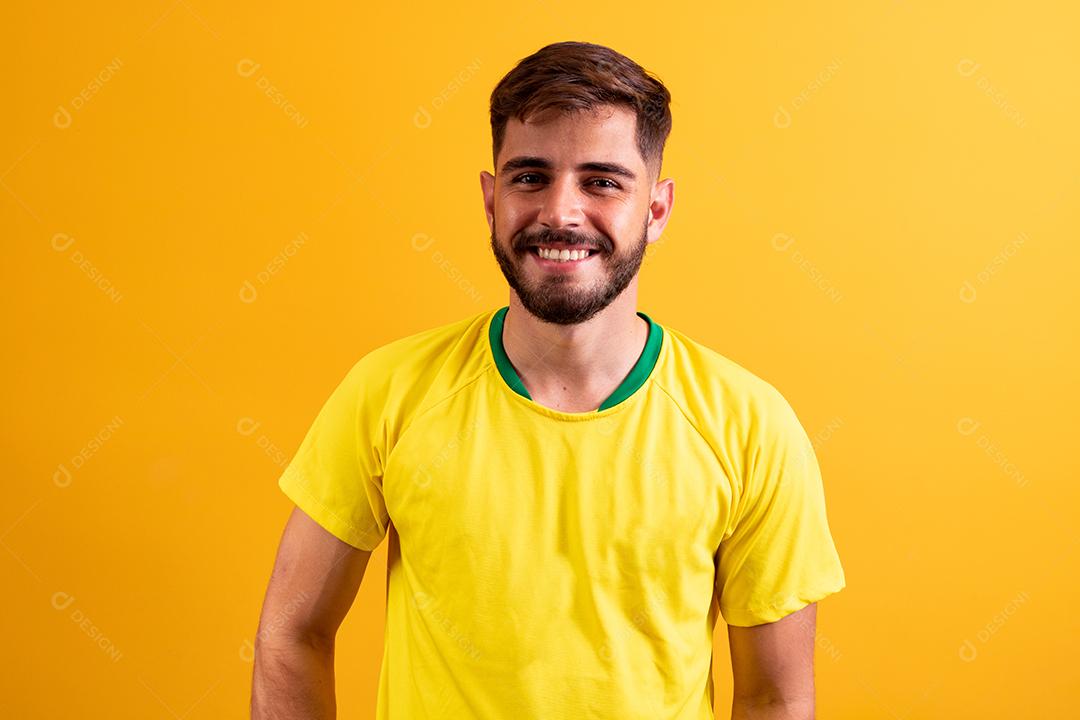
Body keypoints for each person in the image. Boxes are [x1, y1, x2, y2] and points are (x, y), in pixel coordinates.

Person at [251, 40, 845, 720]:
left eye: (602, 181)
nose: (561, 213)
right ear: (490, 197)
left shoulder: (751, 428)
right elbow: (292, 634)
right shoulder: (388, 392)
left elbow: (774, 696)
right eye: (530, 177)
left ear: (656, 208)